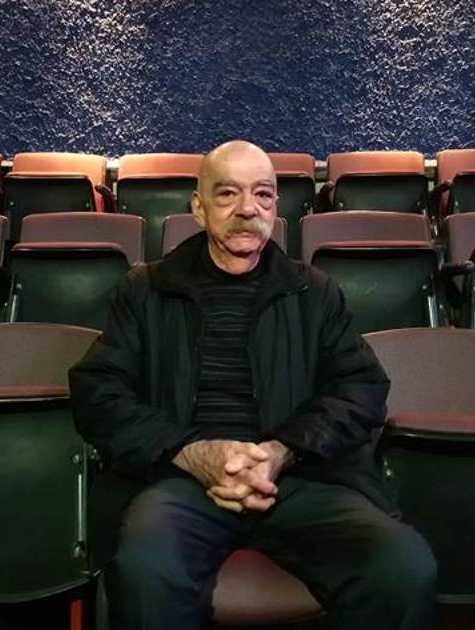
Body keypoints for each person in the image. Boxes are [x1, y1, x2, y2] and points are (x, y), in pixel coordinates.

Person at [69, 140, 436, 629]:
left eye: (263, 194)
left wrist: (282, 450)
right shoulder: (146, 290)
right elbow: (99, 392)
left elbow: (361, 388)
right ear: (198, 208)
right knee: (146, 570)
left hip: (301, 479)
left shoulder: (314, 291)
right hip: (179, 483)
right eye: (228, 194)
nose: (248, 209)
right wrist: (191, 452)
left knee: (404, 568)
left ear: (276, 207)